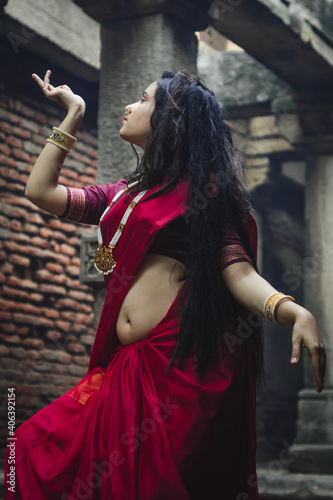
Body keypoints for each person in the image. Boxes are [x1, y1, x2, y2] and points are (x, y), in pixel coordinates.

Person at [4, 69, 325, 500]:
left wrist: (292, 310)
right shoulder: (123, 195)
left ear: (171, 120)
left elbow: (238, 270)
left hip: (174, 369)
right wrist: (74, 114)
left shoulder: (207, 193)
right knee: (27, 448)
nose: (129, 106)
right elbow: (40, 192)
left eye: (142, 99)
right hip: (123, 368)